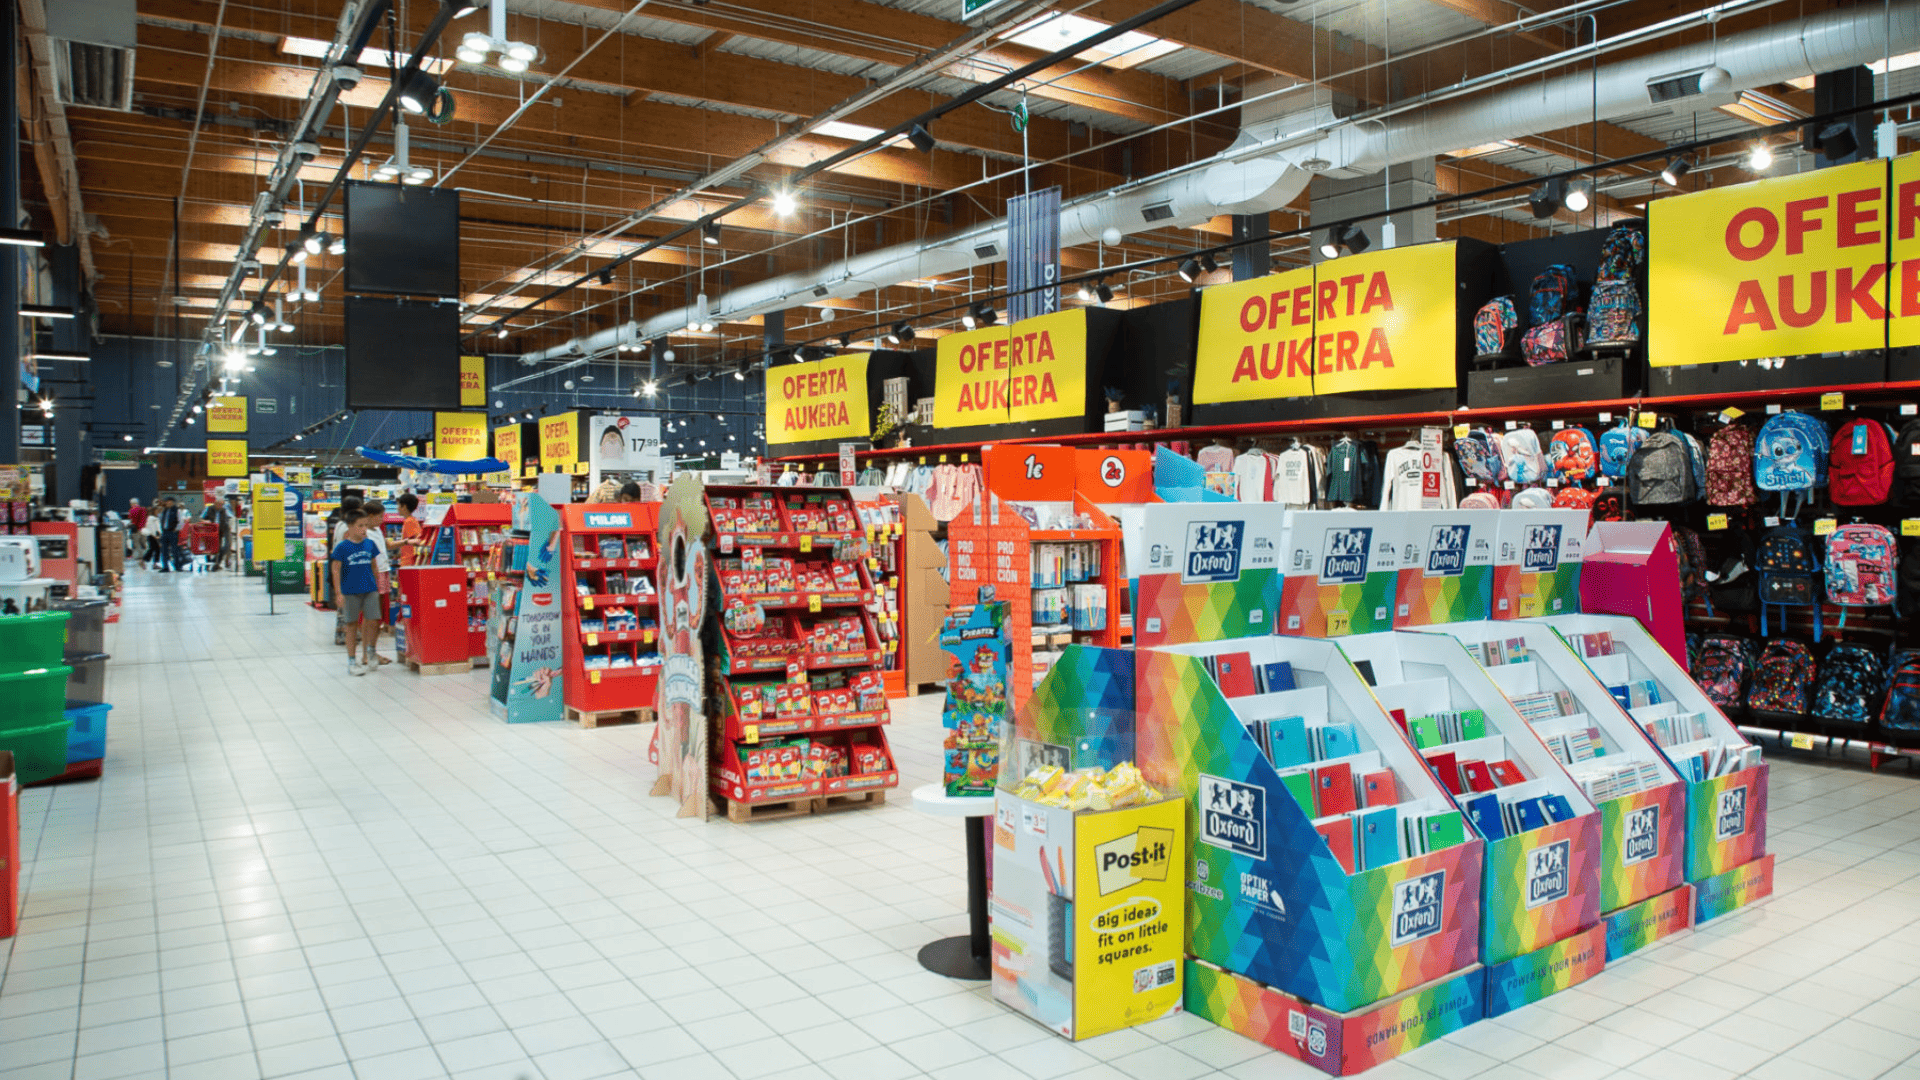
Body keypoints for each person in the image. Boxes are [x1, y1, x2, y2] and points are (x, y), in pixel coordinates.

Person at [329, 510, 381, 676]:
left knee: (373, 621)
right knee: (351, 625)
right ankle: (352, 661)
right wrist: (338, 593)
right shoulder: (342, 547)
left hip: (370, 589)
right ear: (350, 527)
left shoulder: (370, 544)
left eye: (366, 525)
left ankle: (370, 650)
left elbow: (374, 566)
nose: (364, 529)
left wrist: (377, 585)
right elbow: (335, 569)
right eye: (360, 526)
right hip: (350, 591)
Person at [358, 500, 394, 667]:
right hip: (370, 575)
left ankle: (373, 651)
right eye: (380, 516)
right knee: (369, 617)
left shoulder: (377, 530)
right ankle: (366, 654)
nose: (382, 519)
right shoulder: (363, 532)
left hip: (383, 572)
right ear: (371, 516)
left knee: (378, 617)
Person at [396, 492, 426, 568]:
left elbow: (416, 541)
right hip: (408, 561)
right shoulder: (411, 520)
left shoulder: (409, 522)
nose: (397, 508)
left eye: (398, 505)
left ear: (404, 506)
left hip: (409, 562)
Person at [157, 498, 184, 572]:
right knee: (164, 550)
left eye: (168, 502)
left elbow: (181, 521)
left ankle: (178, 566)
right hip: (165, 532)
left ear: (172, 502)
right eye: (166, 502)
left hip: (173, 532)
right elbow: (160, 519)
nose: (167, 503)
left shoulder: (177, 510)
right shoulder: (164, 510)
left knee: (175, 550)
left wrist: (176, 529)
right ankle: (165, 567)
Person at [126, 498, 148, 564]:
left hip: (136, 529)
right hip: (143, 528)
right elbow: (145, 519)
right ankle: (147, 554)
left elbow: (131, 519)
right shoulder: (143, 509)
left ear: (131, 503)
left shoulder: (132, 510)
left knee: (137, 543)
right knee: (144, 543)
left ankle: (141, 556)